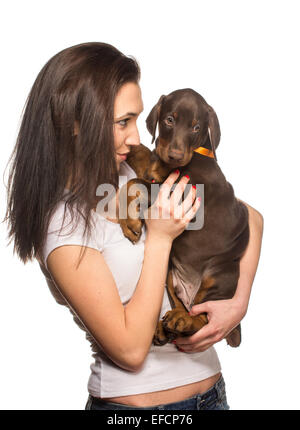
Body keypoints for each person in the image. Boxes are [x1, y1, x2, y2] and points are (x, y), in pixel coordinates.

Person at [5, 42, 263, 410]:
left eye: (137, 120)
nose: (136, 137)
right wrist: (158, 238)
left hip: (212, 395)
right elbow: (129, 350)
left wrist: (238, 303)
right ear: (76, 124)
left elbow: (248, 216)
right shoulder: (62, 227)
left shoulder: (130, 171)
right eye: (122, 122)